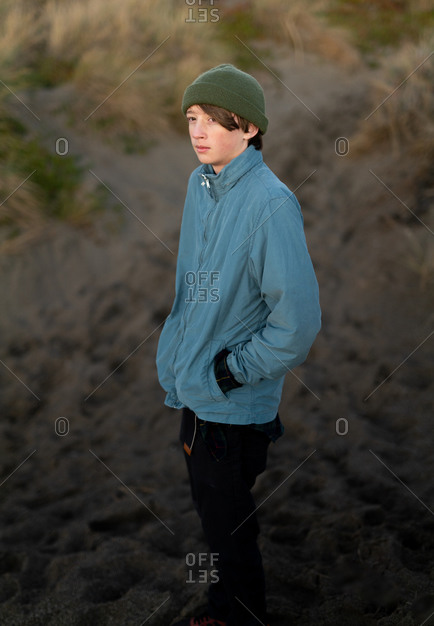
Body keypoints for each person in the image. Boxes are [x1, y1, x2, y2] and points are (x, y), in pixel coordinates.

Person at [156, 64, 321, 626]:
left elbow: (297, 323)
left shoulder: (271, 204)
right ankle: (222, 611)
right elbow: (189, 285)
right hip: (193, 392)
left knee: (229, 530)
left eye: (214, 121)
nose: (199, 132)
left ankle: (238, 617)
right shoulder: (199, 185)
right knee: (213, 518)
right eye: (192, 119)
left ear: (249, 127)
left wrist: (229, 371)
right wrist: (180, 357)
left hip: (231, 404)